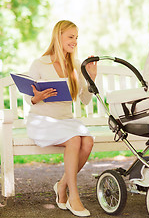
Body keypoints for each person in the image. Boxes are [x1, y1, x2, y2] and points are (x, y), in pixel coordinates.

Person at [25, 20, 97, 217]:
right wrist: (36, 97)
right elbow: (28, 98)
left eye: (76, 38)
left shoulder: (74, 65)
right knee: (75, 139)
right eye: (70, 37)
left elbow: (85, 100)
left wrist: (91, 77)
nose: (75, 42)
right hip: (42, 120)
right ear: (58, 37)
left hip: (66, 121)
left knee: (87, 141)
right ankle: (73, 195)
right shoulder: (40, 63)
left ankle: (61, 185)